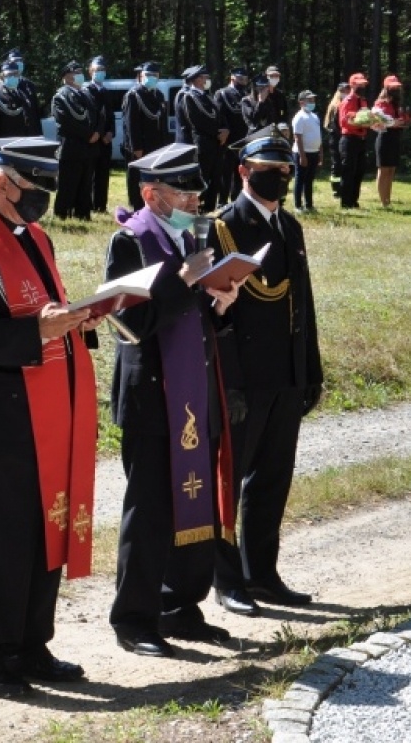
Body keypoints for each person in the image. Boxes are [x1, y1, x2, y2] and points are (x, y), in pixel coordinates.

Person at [0, 136, 107, 698]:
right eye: (34, 188)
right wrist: (37, 332)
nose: (41, 200)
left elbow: (44, 308)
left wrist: (76, 320)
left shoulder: (34, 236)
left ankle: (31, 645)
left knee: (44, 530)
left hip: (46, 408)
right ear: (2, 182)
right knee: (2, 539)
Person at [106, 143, 243, 658]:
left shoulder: (190, 237)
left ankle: (180, 606)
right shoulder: (130, 242)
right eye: (183, 194)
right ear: (151, 195)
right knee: (150, 512)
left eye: (196, 194)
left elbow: (194, 315)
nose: (194, 202)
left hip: (194, 390)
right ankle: (134, 619)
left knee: (194, 498)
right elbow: (128, 323)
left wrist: (221, 303)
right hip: (152, 396)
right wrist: (183, 281)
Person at [208, 129, 324, 617]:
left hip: (285, 375)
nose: (277, 177)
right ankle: (226, 579)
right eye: (267, 170)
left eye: (284, 170)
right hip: (244, 379)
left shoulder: (289, 227)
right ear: (243, 172)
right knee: (229, 481)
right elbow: (217, 317)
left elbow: (303, 304)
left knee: (273, 478)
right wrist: (229, 383)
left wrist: (310, 369)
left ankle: (262, 572)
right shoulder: (222, 229)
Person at [175, 65, 227, 211]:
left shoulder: (206, 97)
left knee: (215, 178)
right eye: (204, 78)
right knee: (201, 178)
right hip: (202, 144)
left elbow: (219, 116)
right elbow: (197, 122)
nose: (207, 80)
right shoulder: (188, 97)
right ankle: (196, 207)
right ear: (197, 79)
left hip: (216, 144)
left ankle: (210, 207)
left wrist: (225, 130)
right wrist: (218, 133)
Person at [121, 62, 171, 210]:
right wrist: (136, 147)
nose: (152, 78)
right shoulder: (133, 95)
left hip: (157, 144)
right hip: (140, 145)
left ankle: (153, 205)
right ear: (141, 76)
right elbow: (131, 124)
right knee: (137, 178)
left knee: (155, 178)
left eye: (155, 75)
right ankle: (137, 206)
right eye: (148, 75)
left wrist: (164, 145)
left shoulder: (158, 95)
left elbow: (162, 123)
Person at [50, 60, 96, 220]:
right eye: (76, 73)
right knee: (68, 182)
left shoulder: (85, 94)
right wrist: (88, 134)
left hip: (87, 146)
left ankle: (82, 213)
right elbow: (65, 122)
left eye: (80, 73)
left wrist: (97, 132)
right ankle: (63, 212)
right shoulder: (60, 96)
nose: (79, 76)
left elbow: (96, 115)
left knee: (85, 182)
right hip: (71, 145)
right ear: (66, 77)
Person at [211, 67, 251, 206]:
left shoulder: (246, 94)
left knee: (240, 172)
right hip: (227, 140)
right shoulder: (222, 93)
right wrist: (223, 131)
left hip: (243, 139)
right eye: (240, 79)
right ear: (232, 78)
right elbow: (219, 115)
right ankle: (222, 201)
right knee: (225, 173)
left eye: (245, 79)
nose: (243, 82)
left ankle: (236, 200)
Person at [374, 75, 411, 208]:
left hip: (395, 137)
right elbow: (378, 121)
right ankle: (383, 201)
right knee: (384, 170)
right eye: (393, 87)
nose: (396, 90)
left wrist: (405, 120)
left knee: (391, 170)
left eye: (397, 87)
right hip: (385, 137)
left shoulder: (398, 104)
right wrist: (393, 123)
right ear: (386, 88)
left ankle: (388, 200)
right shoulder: (380, 103)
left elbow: (402, 120)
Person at [82, 57, 114, 213]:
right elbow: (90, 116)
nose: (100, 73)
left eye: (103, 70)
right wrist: (100, 133)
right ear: (90, 72)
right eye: (97, 70)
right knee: (90, 173)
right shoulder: (87, 90)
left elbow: (110, 115)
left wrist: (110, 132)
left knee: (103, 172)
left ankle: (101, 205)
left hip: (106, 139)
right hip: (93, 138)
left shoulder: (106, 91)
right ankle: (89, 204)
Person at [336, 73, 371, 209]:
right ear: (352, 85)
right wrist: (360, 123)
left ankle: (354, 200)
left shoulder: (363, 101)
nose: (362, 86)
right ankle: (346, 202)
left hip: (361, 139)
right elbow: (344, 122)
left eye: (363, 84)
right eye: (359, 84)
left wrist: (372, 122)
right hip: (349, 140)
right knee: (348, 171)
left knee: (359, 171)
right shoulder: (347, 101)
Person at [0, 59, 35, 140]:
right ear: (2, 76)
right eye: (9, 74)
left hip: (21, 142)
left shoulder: (21, 95)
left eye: (15, 74)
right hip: (2, 142)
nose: (13, 77)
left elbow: (27, 122)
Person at [290, 90, 322, 212]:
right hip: (302, 153)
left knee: (309, 179)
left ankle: (309, 204)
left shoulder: (314, 116)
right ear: (301, 102)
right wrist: (302, 156)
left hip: (314, 152)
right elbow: (297, 137)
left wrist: (320, 153)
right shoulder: (299, 117)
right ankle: (298, 205)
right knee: (300, 179)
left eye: (313, 100)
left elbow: (318, 135)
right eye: (309, 100)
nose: (312, 102)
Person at [6, 49, 43, 135]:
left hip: (31, 133)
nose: (19, 63)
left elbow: (35, 112)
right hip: (12, 135)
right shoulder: (1, 85)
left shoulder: (29, 84)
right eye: (16, 61)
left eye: (21, 60)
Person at [323, 82, 348, 200]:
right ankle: (336, 189)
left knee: (343, 163)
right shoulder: (335, 106)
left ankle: (342, 187)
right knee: (337, 163)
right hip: (336, 138)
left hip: (342, 137)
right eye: (344, 91)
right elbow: (333, 125)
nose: (346, 93)